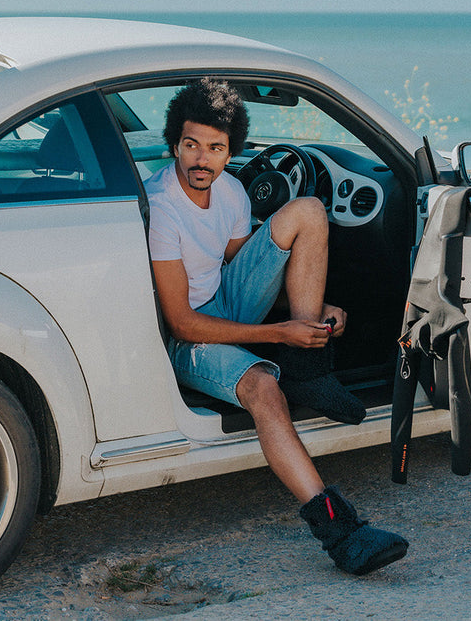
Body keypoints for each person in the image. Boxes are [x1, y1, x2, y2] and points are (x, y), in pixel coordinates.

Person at [145, 78, 408, 575]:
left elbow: (239, 264)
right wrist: (279, 333)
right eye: (191, 145)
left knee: (307, 210)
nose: (202, 160)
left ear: (231, 151)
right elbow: (181, 322)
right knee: (265, 388)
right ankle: (340, 532)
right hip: (188, 339)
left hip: (224, 304)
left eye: (216, 148)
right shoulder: (162, 208)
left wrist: (311, 309)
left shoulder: (229, 192)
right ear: (175, 144)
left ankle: (311, 367)